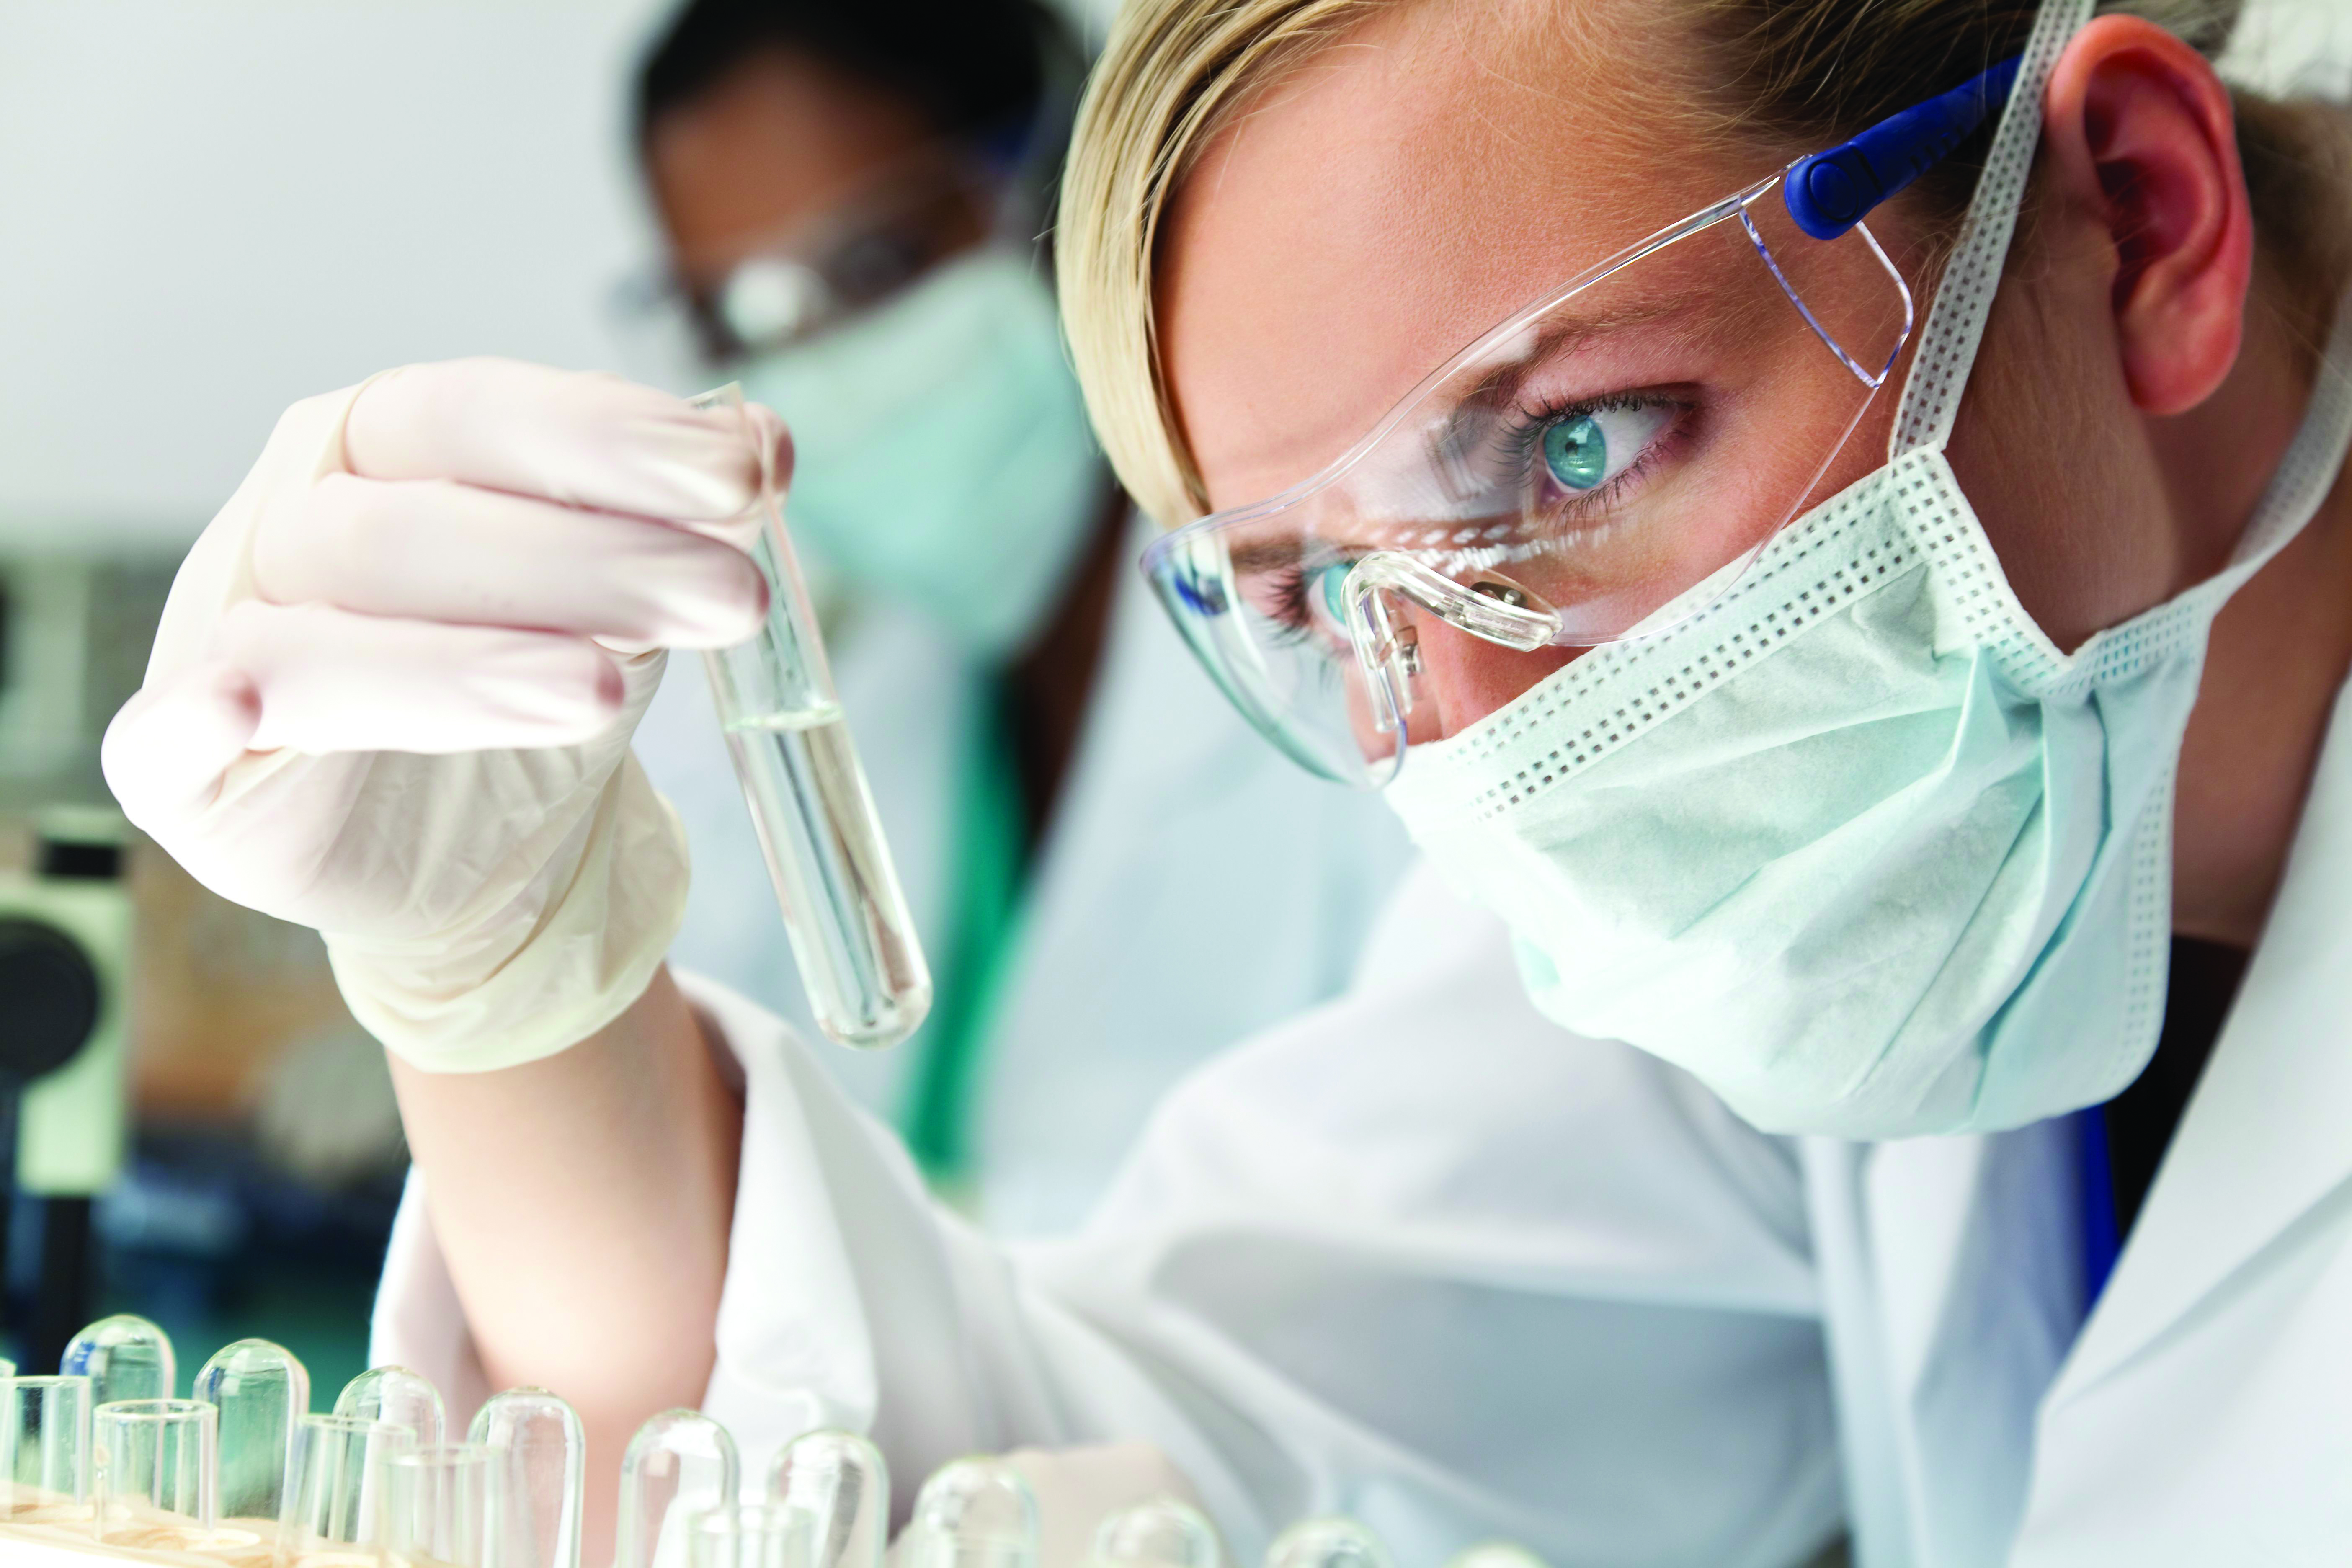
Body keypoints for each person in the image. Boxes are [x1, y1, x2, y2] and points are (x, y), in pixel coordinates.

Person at [101, 0, 2352, 1564]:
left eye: (1578, 442)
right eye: (1313, 592)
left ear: (2140, 224)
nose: (1479, 733)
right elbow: (1108, 1484)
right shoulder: (1826, 860)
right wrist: (511, 997)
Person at [619, 0, 1413, 1227]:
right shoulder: (863, 679)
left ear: (1057, 186)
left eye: (875, 265)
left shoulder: (1358, 626)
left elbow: (1432, 1193)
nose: (826, 375)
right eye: (738, 319)